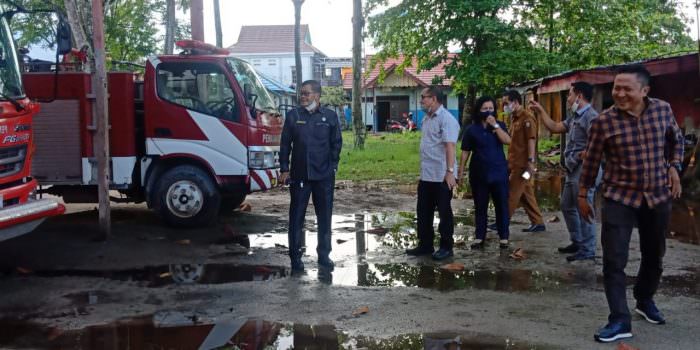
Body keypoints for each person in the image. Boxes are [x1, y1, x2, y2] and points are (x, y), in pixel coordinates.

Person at [578, 64, 683, 343]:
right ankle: (619, 319)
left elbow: (677, 140)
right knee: (614, 260)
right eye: (616, 88)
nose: (619, 93)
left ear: (644, 90)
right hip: (618, 198)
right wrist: (582, 193)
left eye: (626, 89)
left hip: (657, 195)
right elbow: (591, 160)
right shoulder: (603, 122)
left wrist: (674, 166)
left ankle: (644, 299)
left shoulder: (663, 110)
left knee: (654, 255)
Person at [529, 82, 599, 261]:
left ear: (579, 96)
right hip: (572, 169)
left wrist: (587, 154)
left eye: (569, 95)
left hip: (584, 170)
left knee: (584, 207)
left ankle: (588, 249)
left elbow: (597, 145)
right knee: (567, 205)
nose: (568, 99)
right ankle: (577, 241)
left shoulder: (591, 117)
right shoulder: (575, 117)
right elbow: (554, 127)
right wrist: (541, 110)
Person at [279, 80, 343, 273]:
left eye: (306, 94)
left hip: (323, 176)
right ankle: (295, 258)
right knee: (296, 217)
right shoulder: (294, 115)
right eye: (302, 94)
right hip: (300, 176)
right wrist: (284, 169)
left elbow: (336, 144)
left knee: (324, 217)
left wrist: (332, 167)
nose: (303, 97)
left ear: (317, 95)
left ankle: (324, 256)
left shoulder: (330, 116)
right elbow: (285, 145)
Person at [405, 86, 460, 261]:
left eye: (424, 97)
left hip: (442, 175)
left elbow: (450, 146)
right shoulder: (427, 119)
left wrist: (450, 172)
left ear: (434, 98)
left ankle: (446, 247)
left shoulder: (447, 119)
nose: (421, 101)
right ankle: (425, 245)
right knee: (423, 211)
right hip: (427, 175)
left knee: (444, 212)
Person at [457, 96, 511, 249]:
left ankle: (504, 237)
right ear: (478, 110)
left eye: (491, 108)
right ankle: (479, 237)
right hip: (479, 174)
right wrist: (461, 171)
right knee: (480, 206)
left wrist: (495, 126)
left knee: (501, 205)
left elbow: (507, 141)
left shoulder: (499, 125)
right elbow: (465, 151)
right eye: (485, 109)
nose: (488, 111)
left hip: (499, 172)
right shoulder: (471, 129)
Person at [502, 90, 546, 232]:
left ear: (515, 102)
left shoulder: (527, 118)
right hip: (515, 163)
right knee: (526, 193)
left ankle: (502, 221)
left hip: (523, 165)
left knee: (511, 194)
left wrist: (531, 162)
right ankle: (538, 222)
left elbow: (531, 140)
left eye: (506, 103)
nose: (504, 106)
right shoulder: (515, 118)